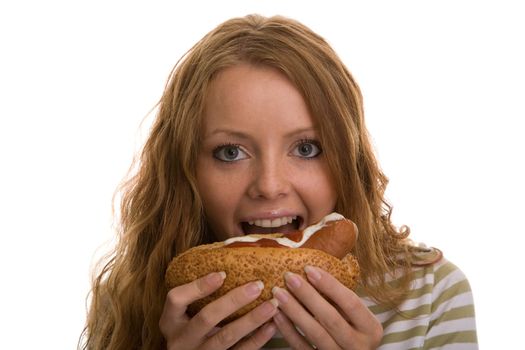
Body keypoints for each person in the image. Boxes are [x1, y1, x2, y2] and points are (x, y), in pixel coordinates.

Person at [80, 14, 478, 349]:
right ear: (185, 172)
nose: (269, 186)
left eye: (306, 149)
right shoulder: (130, 301)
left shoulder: (432, 294)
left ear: (348, 162)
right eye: (230, 152)